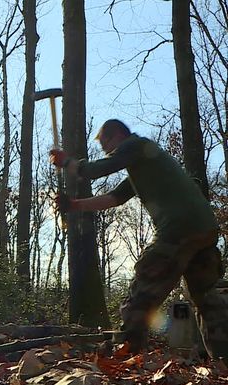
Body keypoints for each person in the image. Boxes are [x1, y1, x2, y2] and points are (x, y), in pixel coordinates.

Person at [49, 119, 227, 359]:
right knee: (207, 300)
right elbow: (115, 198)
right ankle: (223, 364)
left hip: (178, 230)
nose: (108, 152)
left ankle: (128, 357)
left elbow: (101, 169)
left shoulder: (136, 145)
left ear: (117, 136)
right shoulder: (144, 163)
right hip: (204, 230)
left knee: (141, 295)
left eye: (107, 145)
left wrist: (69, 163)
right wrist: (73, 205)